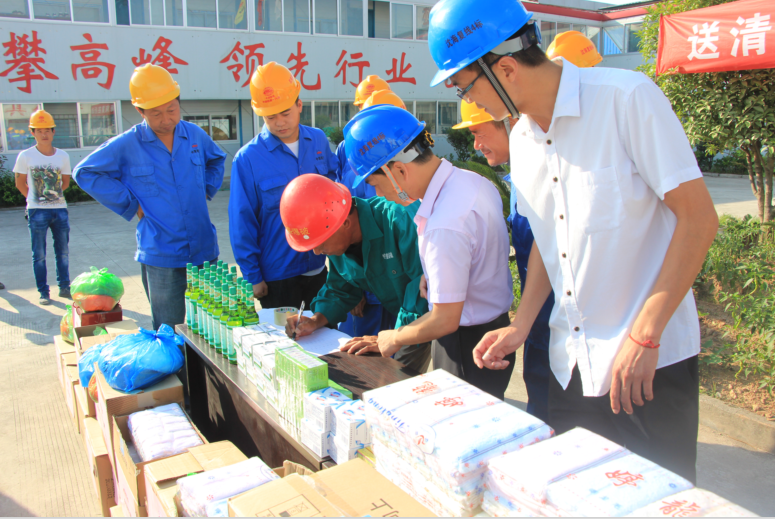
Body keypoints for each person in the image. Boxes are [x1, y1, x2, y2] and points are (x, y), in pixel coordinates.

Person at [428, 0, 718, 483]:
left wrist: (645, 334)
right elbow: (551, 242)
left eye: (464, 85)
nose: (468, 99)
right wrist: (521, 325)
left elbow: (698, 219)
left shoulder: (626, 99)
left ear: (506, 69)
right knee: (576, 494)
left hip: (648, 362)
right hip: (573, 363)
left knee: (661, 500)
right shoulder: (523, 141)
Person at [344, 105, 515, 399]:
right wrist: (435, 274)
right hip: (491, 329)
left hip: (466, 345)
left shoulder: (444, 223)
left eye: (375, 184)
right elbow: (474, 253)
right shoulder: (471, 181)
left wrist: (394, 337)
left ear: (398, 170)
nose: (378, 195)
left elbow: (444, 319)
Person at [73, 64, 226, 330]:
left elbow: (217, 159)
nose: (166, 119)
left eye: (172, 109)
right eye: (156, 113)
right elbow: (84, 172)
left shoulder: (194, 135)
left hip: (203, 247)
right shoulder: (128, 144)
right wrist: (131, 204)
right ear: (140, 111)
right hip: (161, 253)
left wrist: (204, 189)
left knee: (212, 325)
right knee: (169, 328)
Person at [454, 100, 553, 421]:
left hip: (558, 323)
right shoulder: (518, 177)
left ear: (509, 122)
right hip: (536, 321)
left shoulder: (544, 175)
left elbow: (548, 248)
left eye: (479, 133)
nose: (475, 145)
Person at [280, 175, 431, 373]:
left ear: (345, 223)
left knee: (398, 377)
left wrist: (395, 336)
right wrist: (315, 320)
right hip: (407, 317)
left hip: (435, 315)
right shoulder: (335, 236)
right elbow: (339, 289)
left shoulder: (400, 220)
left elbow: (424, 293)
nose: (317, 252)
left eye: (321, 242)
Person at [229, 62, 339, 310]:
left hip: (317, 266)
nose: (279, 122)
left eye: (285, 113)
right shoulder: (248, 159)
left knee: (321, 329)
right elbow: (242, 221)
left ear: (299, 105)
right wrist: (253, 275)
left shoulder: (318, 141)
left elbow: (334, 191)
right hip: (277, 275)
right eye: (271, 117)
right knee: (284, 334)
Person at [336, 86, 414, 340]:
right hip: (372, 280)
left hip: (401, 278)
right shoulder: (357, 170)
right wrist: (357, 290)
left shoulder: (413, 180)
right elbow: (346, 227)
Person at [13, 110, 72, 305]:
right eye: (39, 131)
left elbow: (65, 182)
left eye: (47, 130)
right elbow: (20, 183)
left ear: (53, 131)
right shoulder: (25, 156)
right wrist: (35, 200)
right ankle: (43, 292)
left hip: (60, 210)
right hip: (37, 212)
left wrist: (51, 198)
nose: (44, 134)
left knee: (63, 252)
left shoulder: (63, 156)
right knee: (38, 254)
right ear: (32, 132)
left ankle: (64, 286)